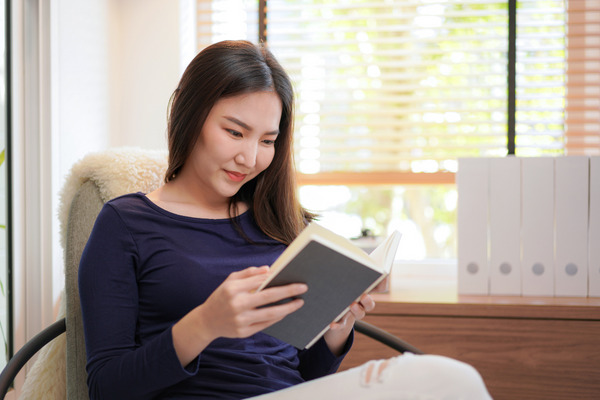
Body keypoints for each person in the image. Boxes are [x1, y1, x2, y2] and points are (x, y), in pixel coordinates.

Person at [78, 40, 492, 400]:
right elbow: (107, 388)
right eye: (235, 132)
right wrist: (204, 324)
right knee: (441, 379)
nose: (251, 157)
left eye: (268, 140)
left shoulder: (278, 224)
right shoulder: (125, 224)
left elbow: (303, 375)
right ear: (190, 115)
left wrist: (336, 328)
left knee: (446, 382)